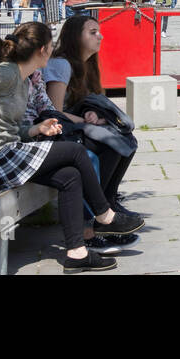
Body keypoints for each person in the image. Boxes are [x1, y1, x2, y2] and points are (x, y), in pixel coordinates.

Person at [0, 22, 143, 272]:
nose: (53, 51)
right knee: (76, 152)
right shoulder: (6, 73)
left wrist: (36, 129)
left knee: (69, 176)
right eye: (51, 47)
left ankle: (77, 253)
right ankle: (105, 216)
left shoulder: (24, 79)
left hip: (5, 153)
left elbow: (6, 126)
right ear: (42, 50)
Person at [48, 15, 140, 217]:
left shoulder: (87, 64)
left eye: (98, 31)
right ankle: (99, 208)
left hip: (74, 125)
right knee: (110, 145)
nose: (100, 36)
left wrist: (91, 113)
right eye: (92, 32)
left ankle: (110, 199)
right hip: (55, 130)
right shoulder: (61, 64)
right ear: (75, 37)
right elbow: (53, 111)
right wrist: (82, 120)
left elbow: (81, 102)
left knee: (127, 139)